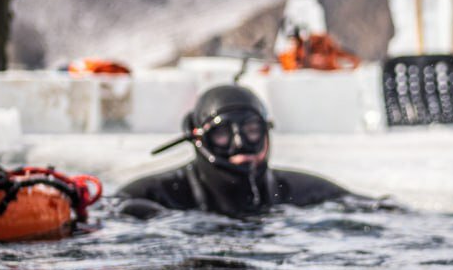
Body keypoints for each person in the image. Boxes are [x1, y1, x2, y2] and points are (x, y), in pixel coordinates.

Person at [119, 84, 354, 217]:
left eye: (252, 130)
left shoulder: (296, 191)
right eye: (222, 134)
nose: (240, 143)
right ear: (197, 137)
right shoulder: (155, 194)